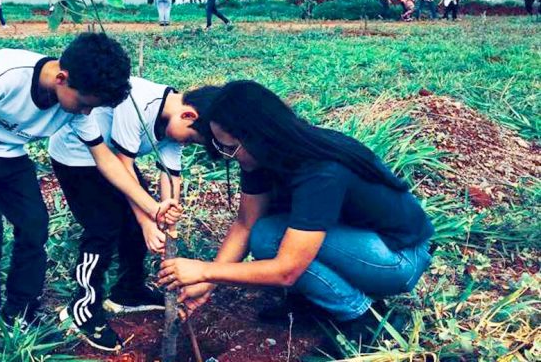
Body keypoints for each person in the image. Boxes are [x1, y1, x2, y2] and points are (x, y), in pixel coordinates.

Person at [0, 33, 181, 350]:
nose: (87, 113)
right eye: (86, 104)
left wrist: (150, 206)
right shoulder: (5, 73)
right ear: (61, 79)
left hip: (12, 155)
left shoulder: (77, 106)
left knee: (35, 225)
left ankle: (20, 311)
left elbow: (104, 158)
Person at [157, 80, 434, 357]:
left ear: (255, 135)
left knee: (272, 237)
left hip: (398, 259)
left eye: (229, 148)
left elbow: (286, 270)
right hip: (357, 243)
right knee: (264, 234)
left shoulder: (321, 171)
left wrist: (205, 270)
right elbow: (245, 223)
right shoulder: (262, 156)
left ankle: (363, 318)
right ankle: (319, 303)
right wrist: (208, 284)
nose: (228, 156)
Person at [49, 78, 220, 352]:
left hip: (113, 161)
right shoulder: (139, 101)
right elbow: (123, 166)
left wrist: (167, 218)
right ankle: (82, 309)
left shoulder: (174, 120)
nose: (186, 144)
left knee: (134, 224)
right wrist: (146, 221)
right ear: (189, 116)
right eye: (191, 139)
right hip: (78, 157)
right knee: (104, 227)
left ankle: (129, 291)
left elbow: (171, 173)